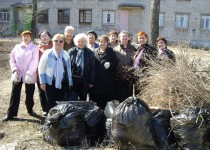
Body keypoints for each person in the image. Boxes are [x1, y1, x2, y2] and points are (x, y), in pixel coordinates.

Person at [3, 30, 39, 121]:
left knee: (29, 93)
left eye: (27, 36)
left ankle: (30, 110)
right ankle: (11, 114)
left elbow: (34, 61)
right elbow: (12, 59)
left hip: (29, 75)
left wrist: (29, 73)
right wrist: (14, 70)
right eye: (24, 36)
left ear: (31, 37)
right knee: (15, 93)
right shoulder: (17, 47)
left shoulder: (34, 48)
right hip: (18, 74)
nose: (25, 38)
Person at [38, 34, 73, 113]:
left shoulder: (66, 54)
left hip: (62, 83)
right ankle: (50, 121)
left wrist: (70, 82)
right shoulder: (48, 53)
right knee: (50, 103)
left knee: (60, 104)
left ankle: (58, 120)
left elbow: (68, 69)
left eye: (61, 41)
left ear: (63, 43)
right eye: (56, 40)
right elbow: (41, 68)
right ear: (52, 42)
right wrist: (42, 82)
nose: (58, 42)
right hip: (50, 83)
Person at [92, 35, 117, 109]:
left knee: (105, 102)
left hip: (106, 81)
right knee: (96, 101)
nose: (102, 43)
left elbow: (115, 64)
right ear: (98, 42)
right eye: (100, 42)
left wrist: (110, 64)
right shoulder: (94, 51)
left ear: (107, 43)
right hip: (96, 82)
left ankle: (105, 117)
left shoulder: (110, 51)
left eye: (104, 42)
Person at [69, 33, 95, 101]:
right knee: (73, 98)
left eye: (82, 41)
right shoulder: (71, 51)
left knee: (83, 99)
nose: (80, 43)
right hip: (73, 79)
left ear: (85, 42)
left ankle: (82, 111)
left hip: (84, 80)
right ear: (75, 42)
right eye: (78, 41)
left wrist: (91, 81)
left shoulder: (90, 53)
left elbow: (92, 68)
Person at [113, 30, 136, 102]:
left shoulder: (133, 48)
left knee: (128, 97)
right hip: (119, 76)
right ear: (119, 38)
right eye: (123, 36)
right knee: (119, 96)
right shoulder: (115, 49)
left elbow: (136, 62)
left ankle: (127, 112)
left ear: (128, 38)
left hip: (129, 76)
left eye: (126, 36)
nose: (124, 38)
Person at [37, 30, 53, 115]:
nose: (44, 37)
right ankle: (44, 109)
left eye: (46, 35)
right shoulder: (38, 48)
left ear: (49, 36)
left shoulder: (54, 45)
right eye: (42, 36)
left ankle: (51, 108)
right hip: (41, 73)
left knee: (51, 92)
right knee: (42, 92)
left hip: (52, 74)